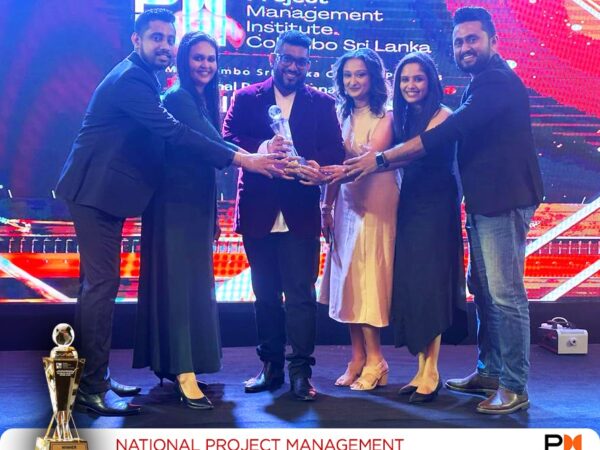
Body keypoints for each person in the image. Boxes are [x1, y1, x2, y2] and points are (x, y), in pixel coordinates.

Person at [56, 9, 283, 416]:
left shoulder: (145, 77)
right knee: (100, 288)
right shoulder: (133, 80)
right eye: (155, 37)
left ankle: (95, 377)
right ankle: (90, 387)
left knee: (98, 287)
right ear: (136, 40)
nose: (163, 45)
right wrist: (245, 160)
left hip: (105, 193)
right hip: (94, 191)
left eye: (167, 38)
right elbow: (174, 132)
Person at [343, 7, 544, 414]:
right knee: (484, 291)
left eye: (472, 39)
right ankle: (490, 372)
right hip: (484, 202)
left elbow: (447, 133)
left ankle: (514, 385)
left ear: (493, 41)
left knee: (505, 296)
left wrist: (380, 159)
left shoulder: (496, 82)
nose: (465, 47)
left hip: (504, 201)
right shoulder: (479, 84)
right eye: (459, 42)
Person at [222, 30, 345, 401]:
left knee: (301, 296)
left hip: (300, 211)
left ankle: (300, 372)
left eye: (301, 62)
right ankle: (271, 367)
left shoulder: (322, 103)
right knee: (265, 295)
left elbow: (335, 150)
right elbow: (226, 139)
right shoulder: (246, 97)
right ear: (272, 58)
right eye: (287, 59)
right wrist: (262, 148)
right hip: (258, 210)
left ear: (309, 65)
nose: (294, 67)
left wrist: (315, 166)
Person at [132, 32, 236, 410]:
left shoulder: (202, 100)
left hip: (196, 207)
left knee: (193, 288)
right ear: (183, 62)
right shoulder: (178, 98)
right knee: (178, 288)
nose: (205, 65)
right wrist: (258, 159)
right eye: (198, 58)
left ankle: (183, 366)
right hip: (173, 207)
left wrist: (214, 214)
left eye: (211, 58)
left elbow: (208, 157)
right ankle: (183, 371)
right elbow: (213, 146)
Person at [388, 52, 467, 404]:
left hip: (436, 208)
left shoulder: (443, 115)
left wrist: (371, 162)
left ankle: (432, 370)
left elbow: (411, 154)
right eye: (405, 79)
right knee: (414, 285)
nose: (411, 85)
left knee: (431, 285)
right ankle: (421, 369)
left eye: (417, 78)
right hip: (410, 206)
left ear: (431, 81)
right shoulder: (404, 117)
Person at [318, 48, 399, 390]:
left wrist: (324, 170)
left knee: (369, 280)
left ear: (373, 77)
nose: (353, 81)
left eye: (360, 74)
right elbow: (335, 165)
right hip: (346, 205)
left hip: (377, 203)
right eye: (348, 74)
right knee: (348, 280)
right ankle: (357, 358)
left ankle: (376, 359)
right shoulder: (339, 114)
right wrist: (326, 206)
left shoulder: (388, 115)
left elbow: (365, 161)